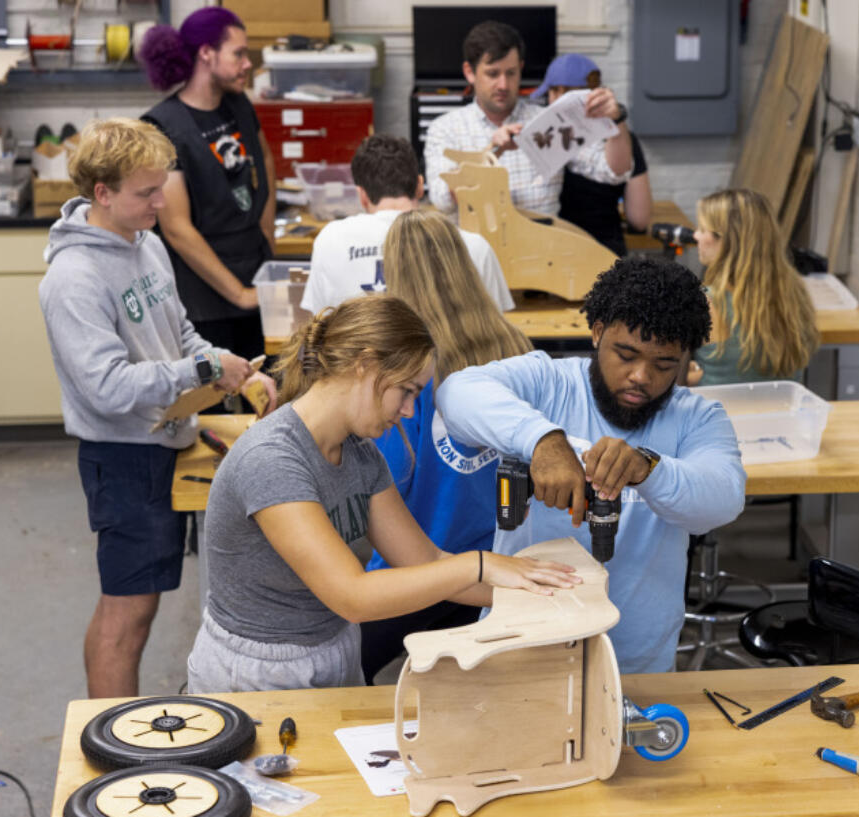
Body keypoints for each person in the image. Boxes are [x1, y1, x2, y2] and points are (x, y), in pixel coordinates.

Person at [186, 296, 579, 693]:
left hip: (334, 647)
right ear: (365, 365)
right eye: (406, 391)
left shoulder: (360, 453)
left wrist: (537, 595)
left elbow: (424, 560)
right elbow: (352, 596)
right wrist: (480, 564)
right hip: (258, 670)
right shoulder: (272, 460)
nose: (409, 411)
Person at [38, 117, 278, 699]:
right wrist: (200, 371)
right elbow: (108, 389)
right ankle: (108, 749)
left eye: (160, 186)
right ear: (103, 194)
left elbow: (181, 333)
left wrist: (229, 367)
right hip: (123, 457)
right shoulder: (73, 277)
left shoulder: (146, 245)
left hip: (169, 437)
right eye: (146, 192)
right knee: (129, 612)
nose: (161, 201)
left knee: (136, 603)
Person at [437, 256, 747, 674]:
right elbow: (457, 392)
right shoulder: (548, 383)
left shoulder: (699, 419)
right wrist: (544, 441)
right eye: (627, 354)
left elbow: (723, 499)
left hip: (636, 663)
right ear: (597, 331)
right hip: (523, 647)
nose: (641, 376)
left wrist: (647, 468)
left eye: (664, 365)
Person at [359, 210, 534, 683]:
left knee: (340, 675)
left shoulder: (404, 368)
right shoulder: (515, 348)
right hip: (494, 567)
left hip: (411, 569)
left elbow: (387, 477)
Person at [138, 7, 276, 359]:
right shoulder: (163, 126)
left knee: (267, 399)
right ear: (206, 53)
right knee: (216, 408)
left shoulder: (238, 104)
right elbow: (177, 229)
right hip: (205, 304)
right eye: (239, 53)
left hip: (255, 278)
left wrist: (267, 241)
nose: (248, 64)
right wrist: (240, 294)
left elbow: (266, 162)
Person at [424, 21, 632, 217]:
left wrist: (616, 119)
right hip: (475, 252)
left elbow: (614, 172)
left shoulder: (549, 120)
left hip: (543, 250)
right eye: (493, 74)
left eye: (511, 73)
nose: (503, 85)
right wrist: (493, 153)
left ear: (521, 69)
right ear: (470, 72)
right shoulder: (445, 128)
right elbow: (443, 199)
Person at [299, 135, 513, 316]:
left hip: (358, 365)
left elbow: (320, 324)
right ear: (420, 186)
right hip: (450, 365)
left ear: (361, 195)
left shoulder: (331, 240)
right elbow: (496, 330)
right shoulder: (473, 246)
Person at [686, 189, 821, 387]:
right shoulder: (795, 294)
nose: (696, 235)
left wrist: (692, 373)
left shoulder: (705, 303)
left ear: (726, 241)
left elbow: (683, 384)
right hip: (782, 415)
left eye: (702, 229)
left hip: (721, 415)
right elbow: (744, 374)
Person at [535, 54, 652, 256]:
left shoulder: (543, 137)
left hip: (554, 253)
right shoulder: (623, 139)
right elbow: (639, 219)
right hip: (606, 253)